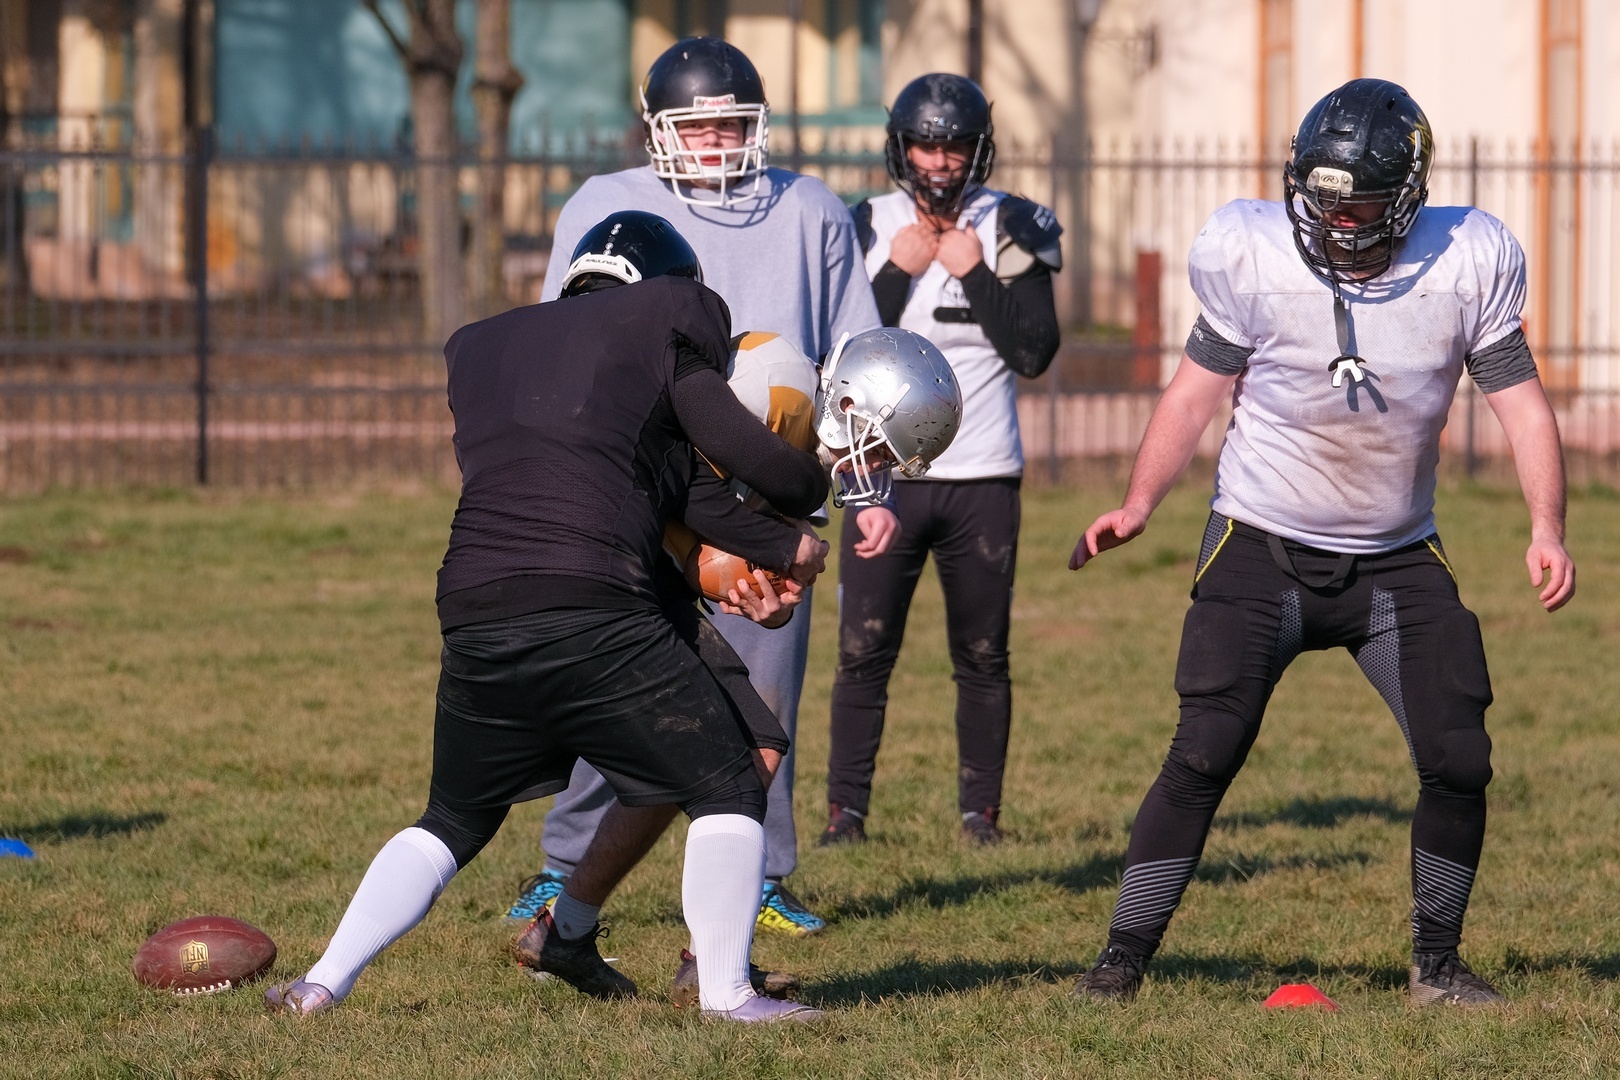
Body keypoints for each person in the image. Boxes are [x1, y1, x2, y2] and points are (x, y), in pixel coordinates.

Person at [1067, 79, 1575, 1006]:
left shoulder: (1468, 257)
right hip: (1258, 543)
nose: (1336, 221)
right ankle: (1120, 962)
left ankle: (1436, 968)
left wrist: (1548, 526)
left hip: (1396, 555)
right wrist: (1139, 504)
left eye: (1359, 204)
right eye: (1322, 199)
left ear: (1408, 194)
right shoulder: (1250, 251)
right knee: (1205, 748)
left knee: (1460, 756)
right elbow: (1191, 393)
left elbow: (1523, 407)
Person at [264, 211, 828, 1022]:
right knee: (729, 780)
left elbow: (649, 482)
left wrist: (759, 551)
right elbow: (745, 458)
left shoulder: (486, 347)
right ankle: (726, 995)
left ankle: (320, 983)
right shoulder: (663, 319)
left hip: (475, 608)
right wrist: (803, 507)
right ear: (664, 291)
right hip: (594, 605)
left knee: (451, 819)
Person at [506, 36, 886, 941]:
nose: (715, 140)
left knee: (766, 692)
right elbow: (567, 337)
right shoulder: (604, 202)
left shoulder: (810, 208)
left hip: (768, 481)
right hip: (643, 478)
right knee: (617, 675)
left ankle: (761, 873)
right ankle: (563, 867)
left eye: (730, 124)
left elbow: (856, 353)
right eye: (697, 125)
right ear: (656, 128)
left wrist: (870, 489)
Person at [820, 73, 1062, 847]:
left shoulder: (1012, 224)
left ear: (978, 149)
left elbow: (1034, 352)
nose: (939, 160)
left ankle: (980, 816)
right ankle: (845, 817)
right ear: (901, 147)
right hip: (880, 474)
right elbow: (841, 353)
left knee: (983, 654)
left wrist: (973, 271)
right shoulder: (865, 224)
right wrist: (897, 271)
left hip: (983, 474)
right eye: (926, 145)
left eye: (954, 145)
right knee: (862, 650)